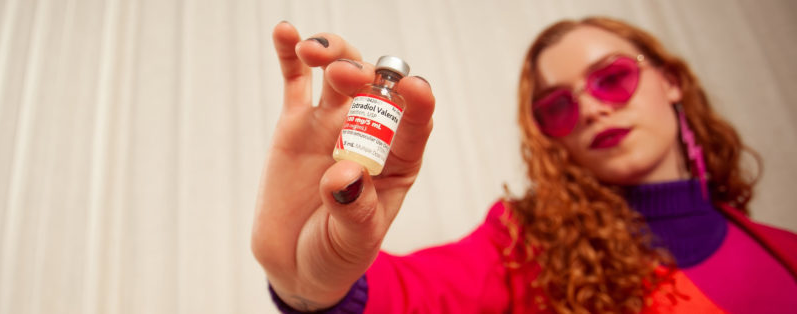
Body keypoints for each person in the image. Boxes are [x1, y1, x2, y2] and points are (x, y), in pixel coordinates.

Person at [251, 16, 797, 313]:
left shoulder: (785, 251)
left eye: (612, 77)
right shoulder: (527, 244)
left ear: (671, 80)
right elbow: (412, 295)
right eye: (557, 106)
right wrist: (314, 287)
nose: (590, 107)